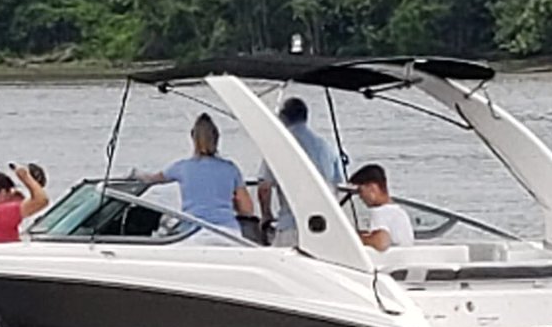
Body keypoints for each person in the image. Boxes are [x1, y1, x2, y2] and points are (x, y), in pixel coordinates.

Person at [135, 113, 253, 243]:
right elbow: (247, 210)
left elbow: (151, 178)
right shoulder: (231, 169)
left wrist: (136, 174)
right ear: (217, 138)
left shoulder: (182, 167)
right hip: (228, 232)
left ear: (193, 137)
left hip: (193, 233)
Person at [257, 97, 342, 247]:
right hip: (323, 226)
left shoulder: (278, 146)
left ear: (282, 118)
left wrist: (266, 215)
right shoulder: (326, 146)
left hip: (290, 224)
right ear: (305, 116)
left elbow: (264, 187)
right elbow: (337, 185)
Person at [347, 163, 414, 251]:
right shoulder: (400, 213)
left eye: (361, 191)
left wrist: (353, 237)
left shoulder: (380, 212)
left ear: (372, 188)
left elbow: (382, 242)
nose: (360, 197)